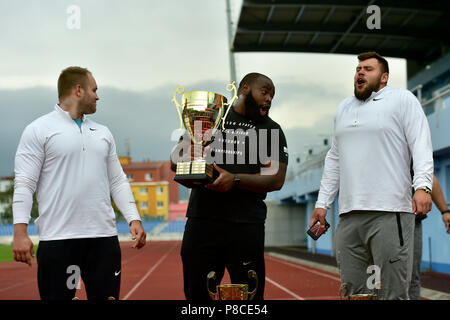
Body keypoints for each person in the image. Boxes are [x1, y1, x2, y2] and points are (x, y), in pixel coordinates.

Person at [12, 66, 146, 300]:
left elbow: (117, 180)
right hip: (58, 240)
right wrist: (20, 232)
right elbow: (24, 182)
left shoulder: (103, 132)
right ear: (78, 90)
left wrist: (133, 217)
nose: (97, 96)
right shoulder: (38, 129)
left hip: (103, 239)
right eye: (94, 89)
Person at [310, 52, 434, 300]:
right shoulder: (344, 107)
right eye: (358, 69)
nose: (360, 73)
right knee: (355, 293)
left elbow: (421, 143)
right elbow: (334, 158)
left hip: (390, 212)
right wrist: (323, 204)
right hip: (348, 216)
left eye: (368, 69)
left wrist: (423, 186)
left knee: (392, 293)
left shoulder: (402, 99)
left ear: (384, 77)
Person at [171, 73, 288, 300]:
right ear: (245, 89)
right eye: (264, 92)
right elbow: (175, 162)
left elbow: (276, 179)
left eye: (272, 95)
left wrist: (234, 180)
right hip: (203, 222)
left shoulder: (271, 130)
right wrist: (187, 154)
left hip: (246, 227)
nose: (269, 99)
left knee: (248, 299)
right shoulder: (210, 115)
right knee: (197, 296)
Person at [409, 175, 450, 300]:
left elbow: (430, 177)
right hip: (382, 218)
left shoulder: (415, 158)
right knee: (380, 276)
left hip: (411, 222)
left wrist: (445, 211)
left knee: (412, 277)